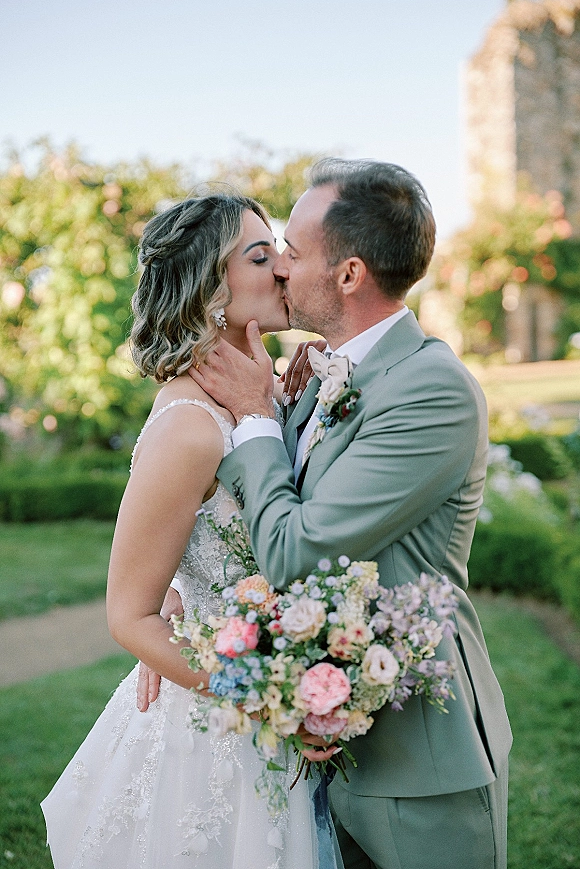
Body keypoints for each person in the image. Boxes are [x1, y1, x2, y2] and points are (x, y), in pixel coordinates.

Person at [189, 158, 513, 869]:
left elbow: (298, 549)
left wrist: (254, 420)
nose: (277, 268)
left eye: (292, 253)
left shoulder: (431, 389)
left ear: (349, 275)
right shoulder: (322, 372)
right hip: (315, 743)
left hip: (418, 763)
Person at [41, 192, 331, 869]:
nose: (285, 269)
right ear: (207, 291)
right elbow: (129, 613)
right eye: (261, 257)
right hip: (222, 731)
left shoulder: (263, 399)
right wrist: (270, 701)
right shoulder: (191, 427)